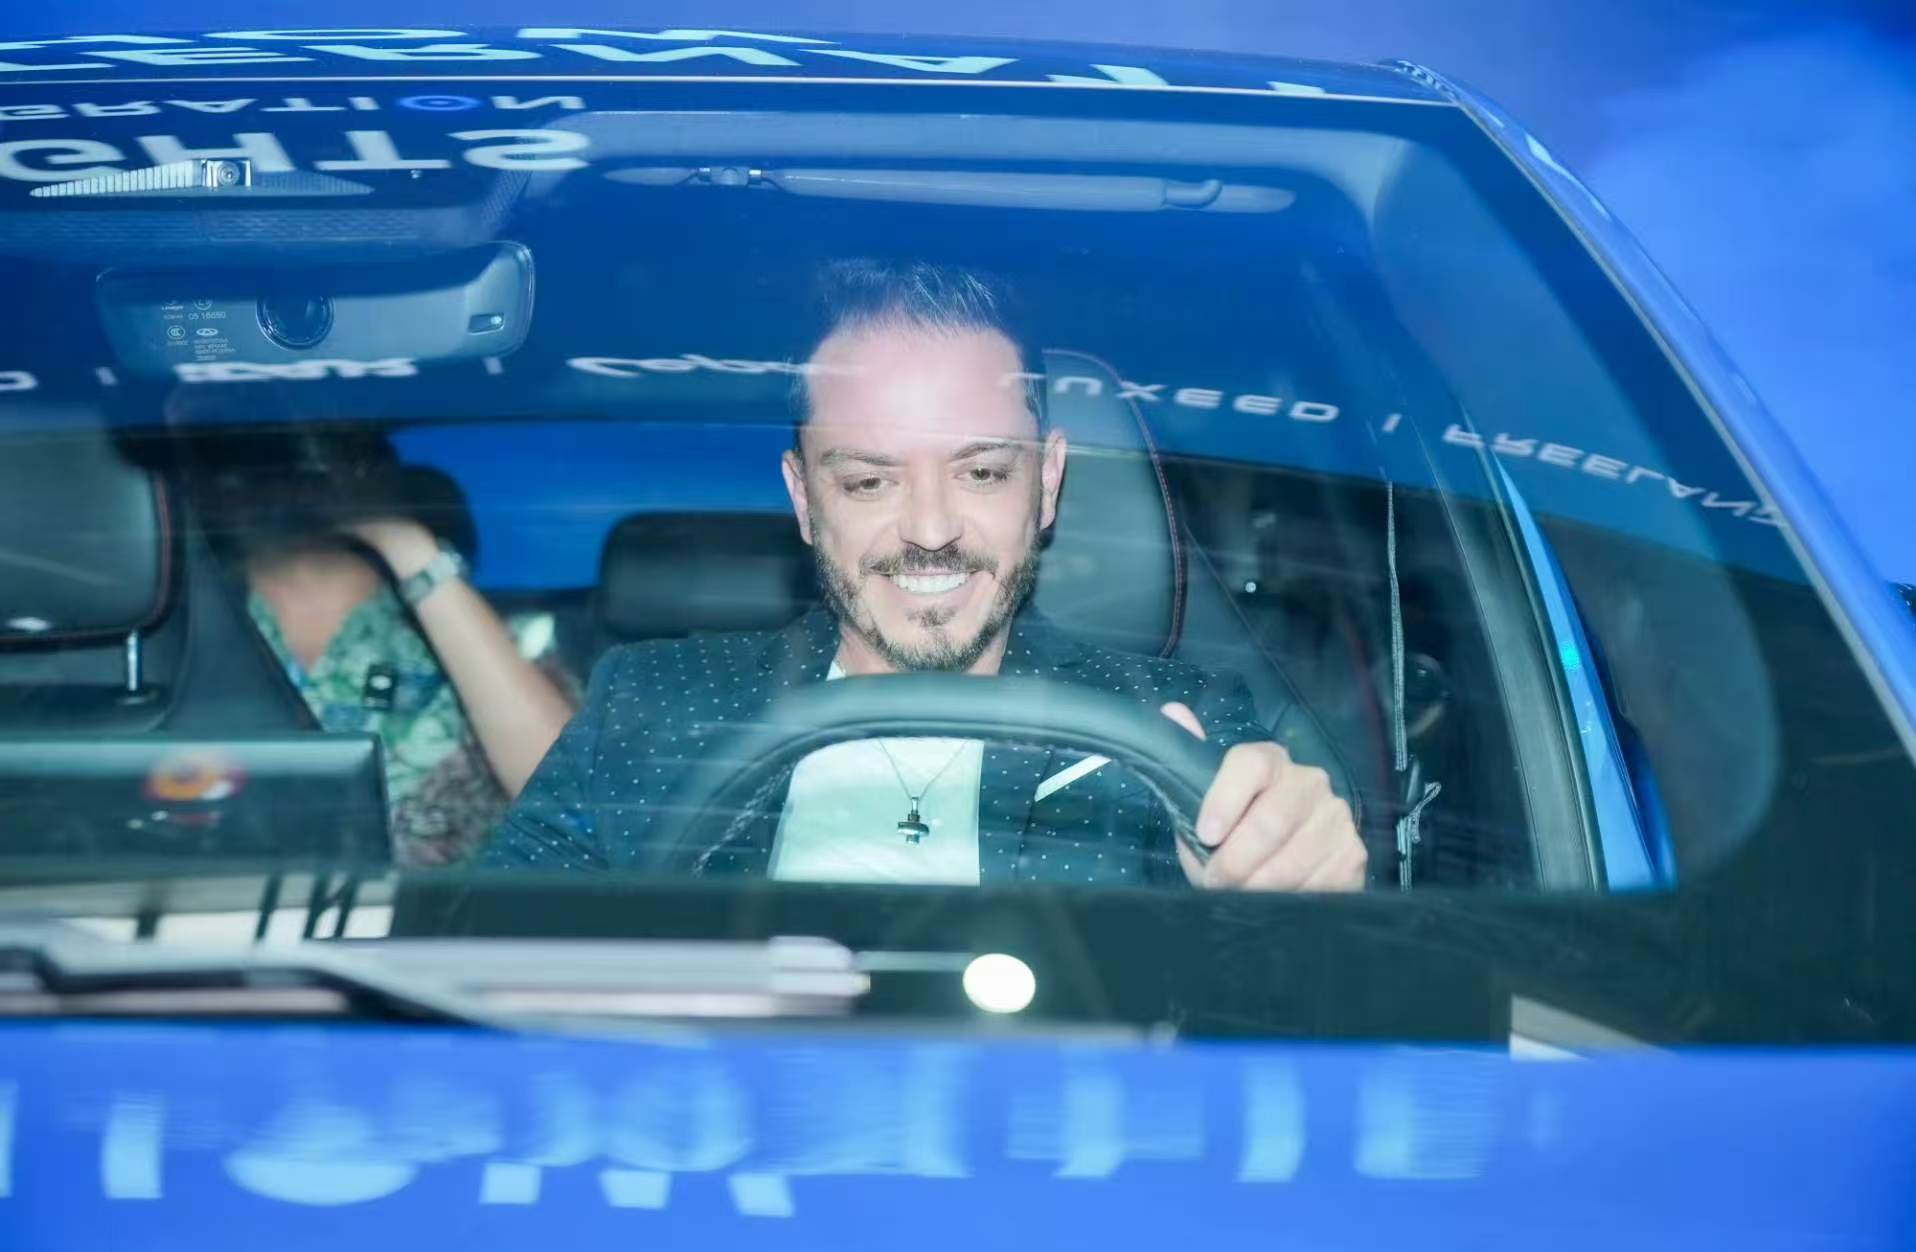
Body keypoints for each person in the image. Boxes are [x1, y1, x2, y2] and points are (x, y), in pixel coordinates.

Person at [490, 260, 1364, 890]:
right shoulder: (651, 706)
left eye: (981, 472)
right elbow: (484, 972)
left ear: (1047, 483)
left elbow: (1294, 1018)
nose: (932, 530)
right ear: (804, 498)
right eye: (869, 482)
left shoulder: (1179, 726)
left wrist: (1307, 892)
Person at [189, 430, 577, 866]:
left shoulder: (493, 641)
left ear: (374, 472)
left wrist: (408, 545)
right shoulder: (166, 639)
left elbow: (576, 810)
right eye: (245, 464)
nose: (286, 484)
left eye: (314, 461)